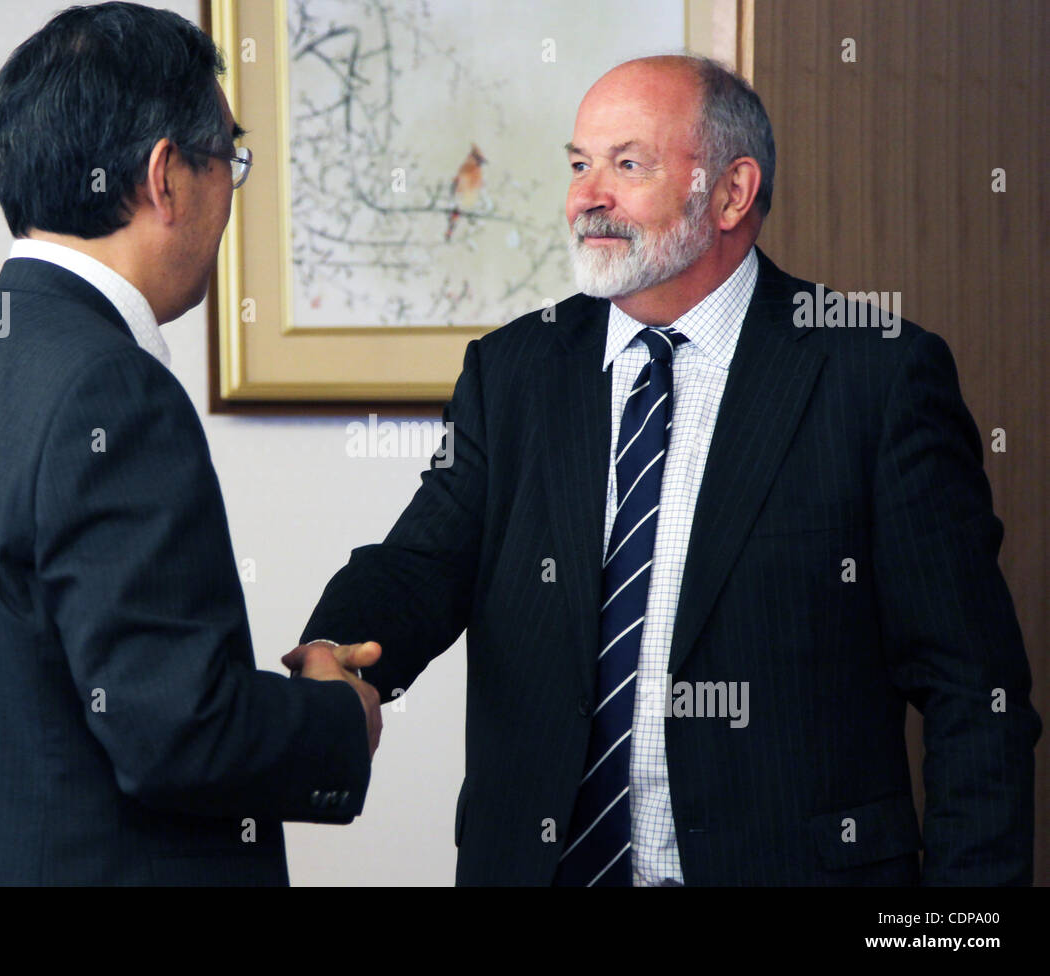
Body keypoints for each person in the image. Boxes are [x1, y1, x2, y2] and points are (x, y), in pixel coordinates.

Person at [289, 55, 1040, 885]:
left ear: (730, 192)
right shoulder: (514, 370)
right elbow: (422, 564)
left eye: (627, 163)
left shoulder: (878, 375)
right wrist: (336, 652)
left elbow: (975, 694)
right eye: (579, 165)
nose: (587, 196)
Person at [0, 2, 382, 885]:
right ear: (165, 176)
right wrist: (339, 717)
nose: (231, 196)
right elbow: (177, 733)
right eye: (232, 159)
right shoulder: (110, 389)